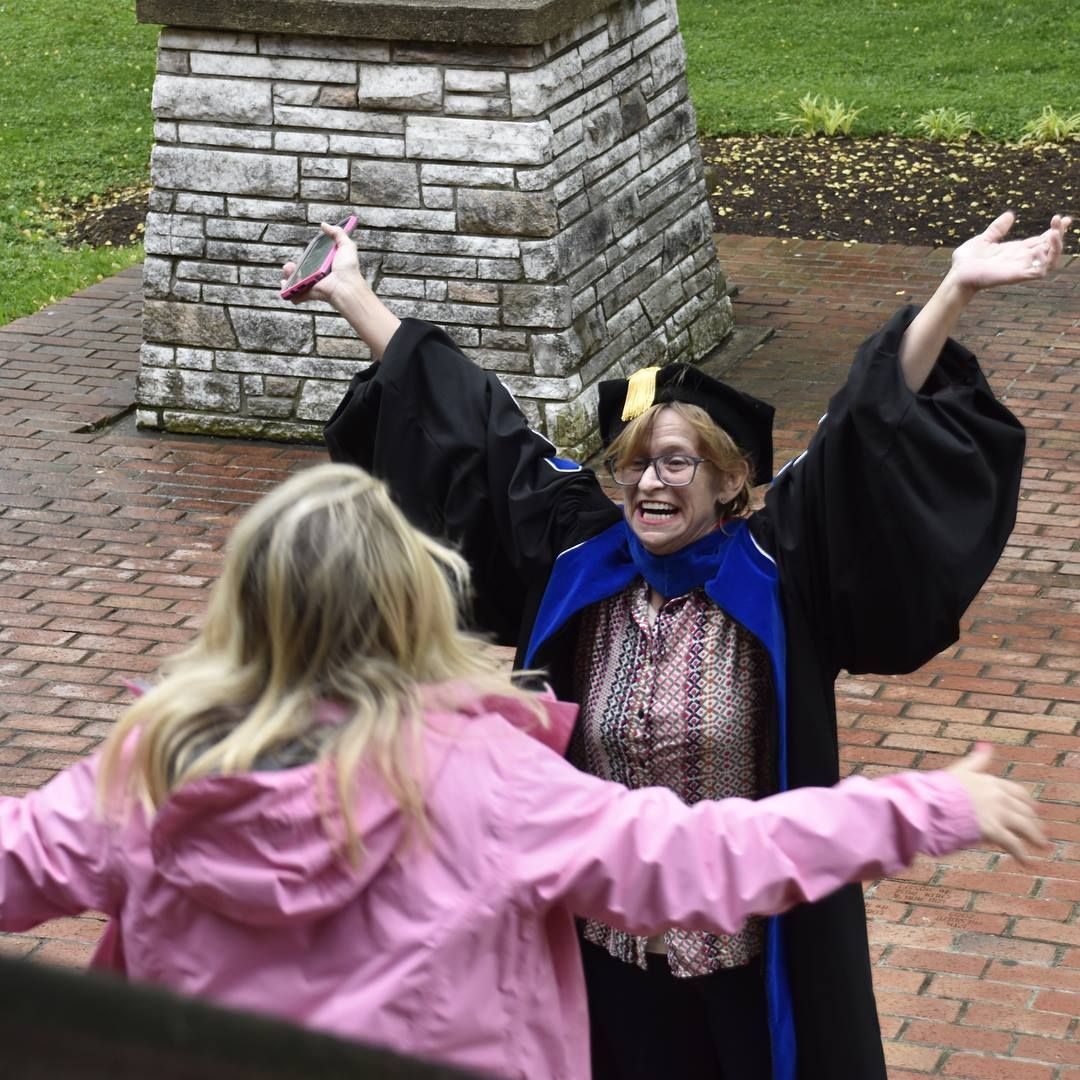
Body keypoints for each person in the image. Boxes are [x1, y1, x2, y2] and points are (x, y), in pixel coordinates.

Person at [300, 208, 1070, 1080]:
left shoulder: (781, 566)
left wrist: (954, 288)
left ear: (732, 478)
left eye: (675, 462)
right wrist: (352, 293)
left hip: (755, 956)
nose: (648, 483)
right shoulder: (578, 556)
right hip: (608, 961)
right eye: (632, 462)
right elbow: (473, 424)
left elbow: (865, 426)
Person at [0, 463, 1046, 1080]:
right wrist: (921, 806)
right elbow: (699, 855)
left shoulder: (149, 773)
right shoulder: (482, 778)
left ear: (242, 606)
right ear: (413, 602)